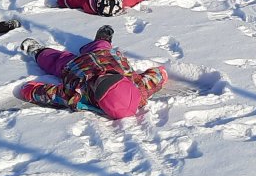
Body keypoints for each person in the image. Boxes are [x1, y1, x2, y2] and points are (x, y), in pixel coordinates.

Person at [16, 26, 167, 119]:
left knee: (53, 60)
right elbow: (155, 78)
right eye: (111, 77)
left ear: (98, 101)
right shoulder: (139, 87)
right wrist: (161, 73)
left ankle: (37, 51)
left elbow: (52, 95)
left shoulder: (78, 96)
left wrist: (31, 91)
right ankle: (101, 40)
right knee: (102, 45)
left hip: (73, 66)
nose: (101, 75)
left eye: (99, 85)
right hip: (105, 56)